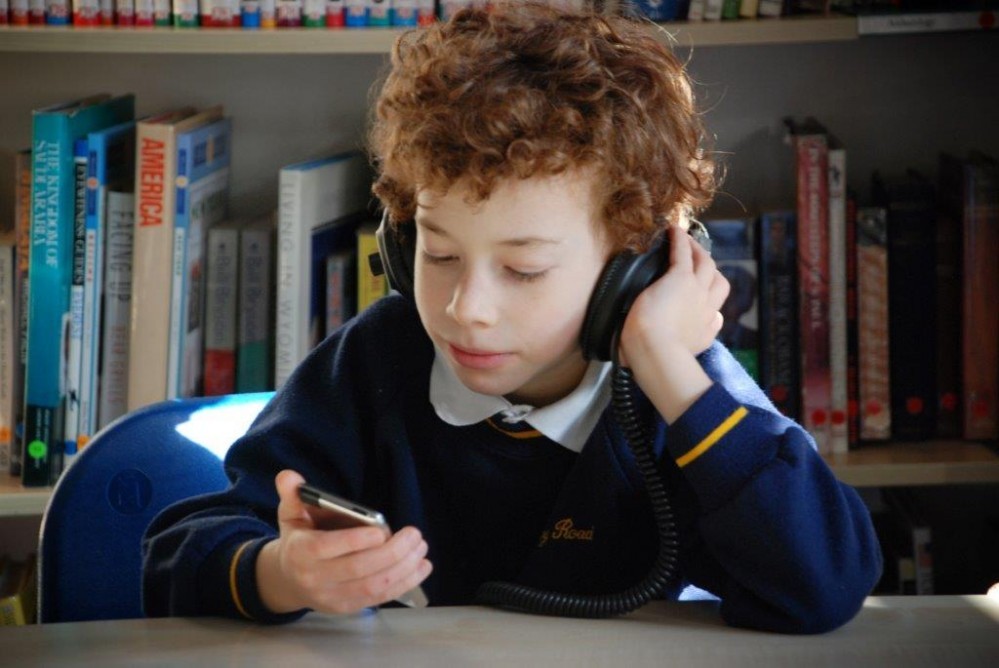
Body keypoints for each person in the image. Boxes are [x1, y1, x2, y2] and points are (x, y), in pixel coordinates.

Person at [143, 3, 881, 634]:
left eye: (524, 270)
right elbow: (177, 555)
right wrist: (281, 575)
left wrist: (665, 367)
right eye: (438, 255)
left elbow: (824, 583)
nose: (468, 310)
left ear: (633, 271)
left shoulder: (677, 387)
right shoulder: (375, 362)